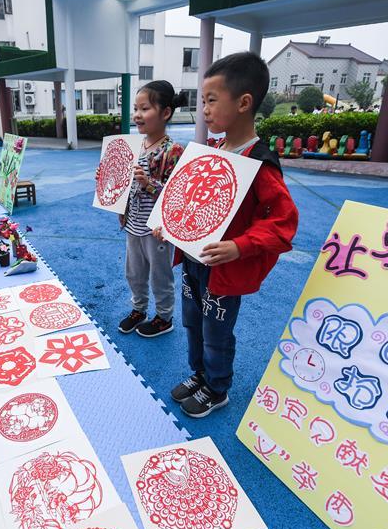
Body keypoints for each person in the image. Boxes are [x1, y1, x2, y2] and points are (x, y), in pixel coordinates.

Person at [155, 52, 299, 418]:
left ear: (244, 103)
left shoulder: (258, 163)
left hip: (223, 271)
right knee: (192, 322)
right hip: (193, 261)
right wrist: (169, 224)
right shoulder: (215, 151)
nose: (204, 109)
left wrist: (239, 246)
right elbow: (190, 201)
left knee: (217, 331)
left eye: (211, 100)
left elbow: (283, 223)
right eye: (203, 101)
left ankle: (217, 388)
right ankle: (200, 374)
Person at [114, 80, 186, 338]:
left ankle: (164, 317)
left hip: (157, 230)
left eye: (144, 109)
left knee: (160, 275)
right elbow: (126, 186)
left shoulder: (173, 151)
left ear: (165, 113)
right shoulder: (135, 147)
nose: (137, 115)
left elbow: (177, 195)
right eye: (136, 109)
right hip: (134, 225)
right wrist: (110, 187)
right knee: (134, 272)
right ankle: (139, 309)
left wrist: (149, 183)